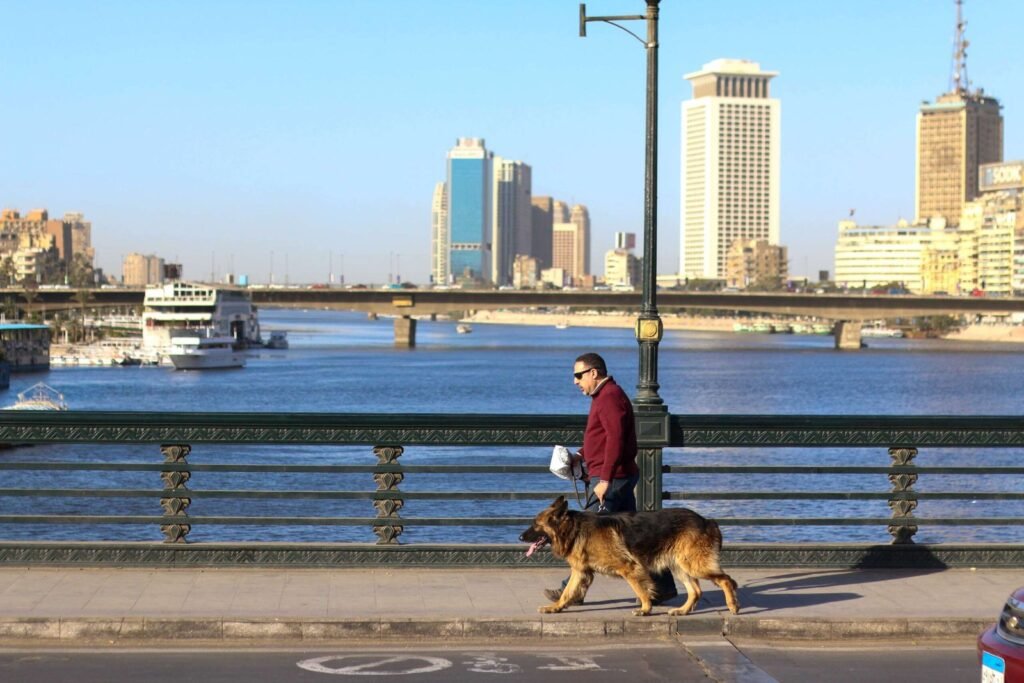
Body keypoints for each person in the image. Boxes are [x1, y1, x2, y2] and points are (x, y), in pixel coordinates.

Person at [544, 352, 678, 605]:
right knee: (635, 536)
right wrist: (580, 456)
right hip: (618, 476)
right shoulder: (606, 396)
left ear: (593, 373)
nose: (575, 381)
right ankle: (663, 586)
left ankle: (570, 593)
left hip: (612, 479)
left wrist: (604, 480)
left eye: (578, 375)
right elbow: (602, 438)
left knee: (584, 534)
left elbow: (616, 440)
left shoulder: (609, 397)